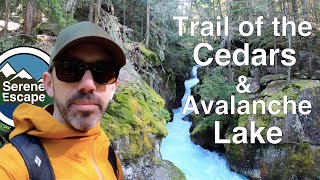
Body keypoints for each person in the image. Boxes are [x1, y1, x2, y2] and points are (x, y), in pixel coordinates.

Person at [0, 21, 126, 179]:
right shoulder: (15, 164)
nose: (88, 84)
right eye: (71, 69)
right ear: (49, 84)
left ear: (113, 87)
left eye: (103, 71)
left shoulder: (106, 149)